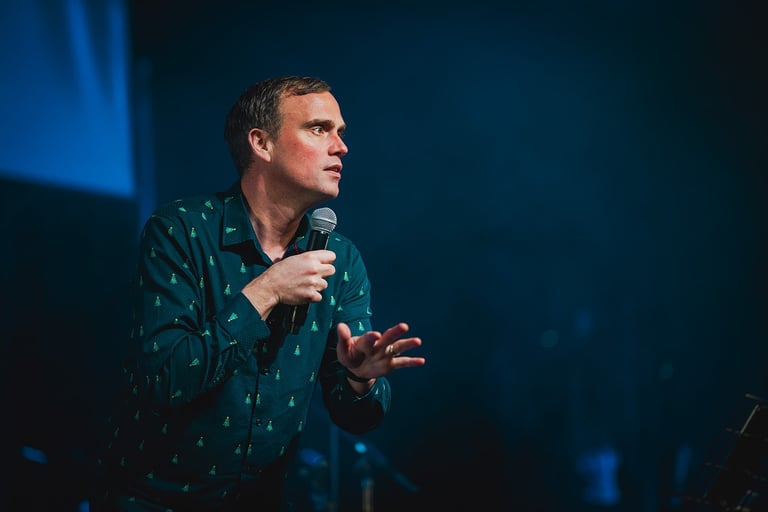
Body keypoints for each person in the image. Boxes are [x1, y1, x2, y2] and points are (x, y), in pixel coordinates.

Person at [91, 76, 426, 511]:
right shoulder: (181, 230)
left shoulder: (341, 259)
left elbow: (357, 418)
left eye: (341, 133)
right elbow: (164, 380)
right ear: (261, 143)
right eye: (319, 129)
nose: (341, 147)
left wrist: (360, 377)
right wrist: (266, 290)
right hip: (153, 500)